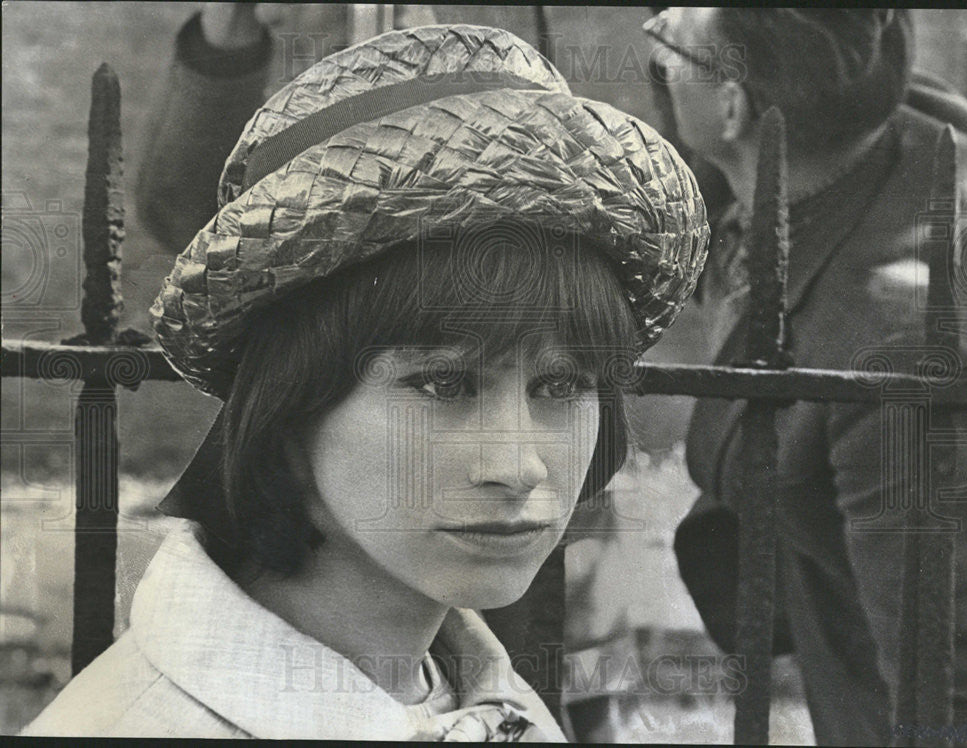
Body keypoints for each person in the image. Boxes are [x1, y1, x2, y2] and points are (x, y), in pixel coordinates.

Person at [22, 24, 710, 739]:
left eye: (561, 387)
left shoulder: (493, 704)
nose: (518, 467)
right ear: (289, 411)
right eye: (444, 385)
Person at [644, 8, 967, 746]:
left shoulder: (896, 347)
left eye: (669, 36)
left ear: (734, 106)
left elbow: (959, 681)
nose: (655, 26)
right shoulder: (865, 120)